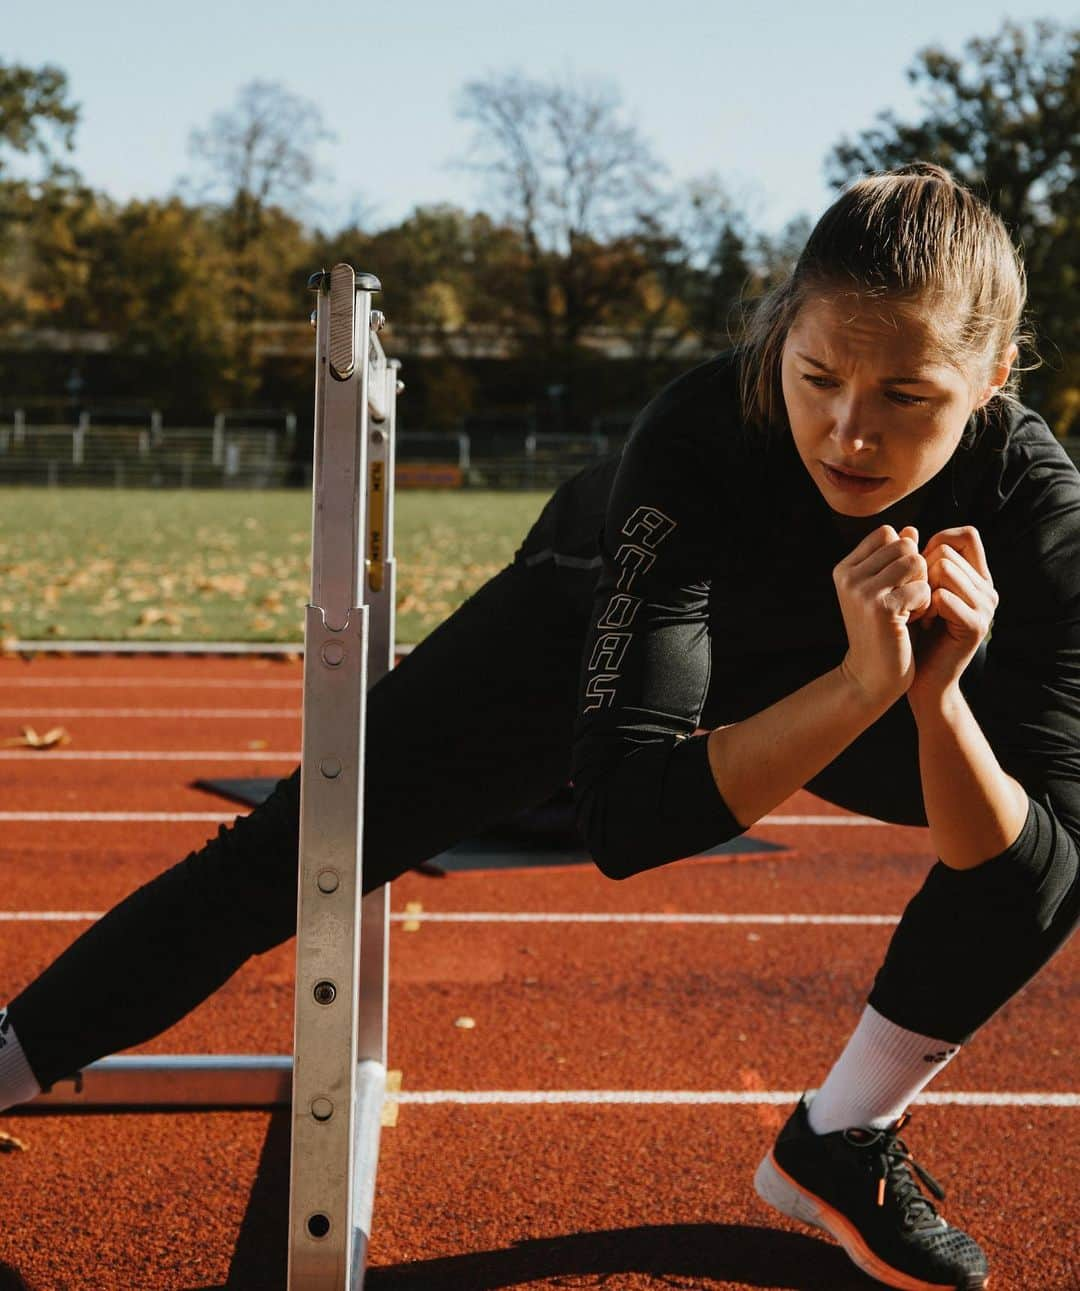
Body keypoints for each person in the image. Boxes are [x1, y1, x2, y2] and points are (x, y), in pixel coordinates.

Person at [1, 161, 1077, 1291]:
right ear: (777, 344)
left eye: (907, 397)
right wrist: (860, 688)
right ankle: (17, 1052)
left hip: (856, 665)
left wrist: (935, 695)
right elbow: (629, 821)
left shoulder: (1039, 514)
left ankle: (839, 1139)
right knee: (309, 845)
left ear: (994, 377)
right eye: (817, 377)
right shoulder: (706, 432)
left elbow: (1031, 859)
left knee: (1048, 842)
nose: (850, 432)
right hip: (583, 635)